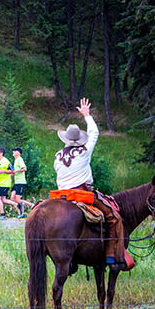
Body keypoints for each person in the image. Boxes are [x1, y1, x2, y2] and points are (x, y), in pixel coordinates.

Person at [54, 98, 127, 270]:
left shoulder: (58, 155)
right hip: (81, 193)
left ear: (66, 140)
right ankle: (110, 256)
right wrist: (86, 115)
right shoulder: (84, 151)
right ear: (79, 140)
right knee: (113, 216)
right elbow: (94, 133)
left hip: (61, 195)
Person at [0, 147, 18, 219]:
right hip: (0, 183)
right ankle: (16, 204)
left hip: (5, 182)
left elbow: (13, 171)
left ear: (1, 153)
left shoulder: (6, 161)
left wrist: (3, 171)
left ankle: (2, 215)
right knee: (3, 200)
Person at [9, 147, 34, 218]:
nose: (13, 152)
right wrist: (11, 174)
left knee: (18, 199)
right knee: (12, 198)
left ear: (18, 153)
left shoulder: (20, 159)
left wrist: (15, 171)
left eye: (15, 151)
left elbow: (24, 168)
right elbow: (15, 170)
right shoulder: (16, 160)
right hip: (16, 182)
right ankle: (20, 213)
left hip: (21, 182)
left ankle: (31, 205)